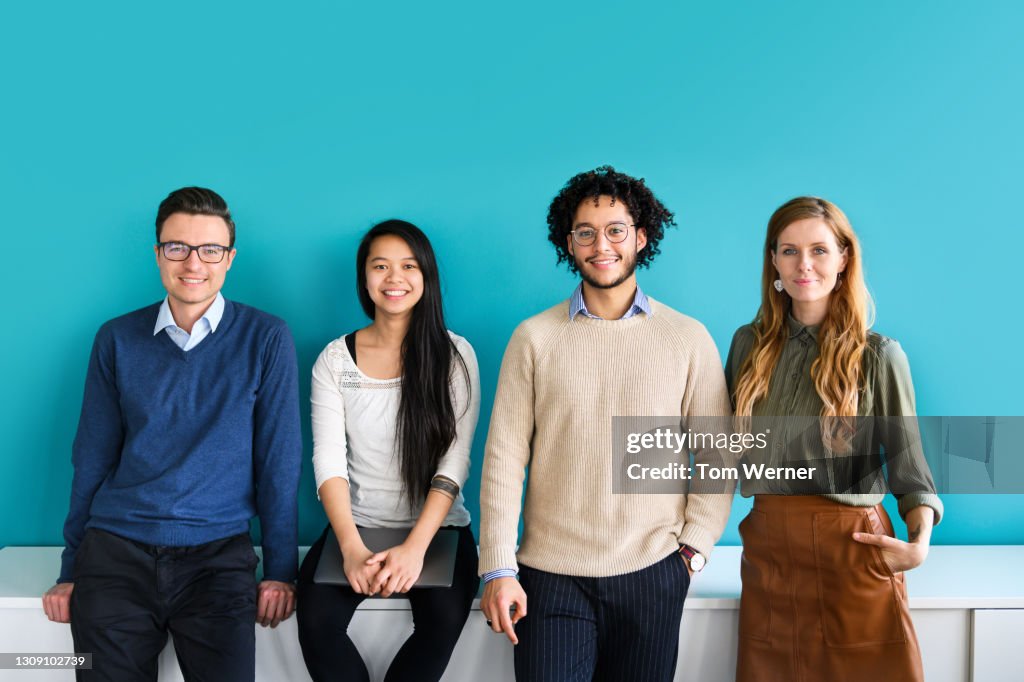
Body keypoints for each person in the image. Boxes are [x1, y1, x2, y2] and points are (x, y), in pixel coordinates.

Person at [478, 166, 734, 681]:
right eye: (585, 233)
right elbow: (504, 460)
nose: (602, 245)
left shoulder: (686, 338)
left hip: (654, 570)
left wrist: (695, 551)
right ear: (568, 244)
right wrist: (498, 568)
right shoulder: (534, 339)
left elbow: (716, 454)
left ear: (641, 237)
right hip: (550, 576)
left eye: (616, 229)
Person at [41, 187, 302, 681]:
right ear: (158, 254)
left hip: (217, 557)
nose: (193, 263)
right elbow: (91, 457)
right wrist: (71, 568)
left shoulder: (266, 338)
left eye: (210, 250)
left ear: (230, 259)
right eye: (177, 247)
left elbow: (279, 462)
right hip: (115, 552)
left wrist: (280, 571)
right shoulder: (116, 338)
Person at [726, 196, 943, 681]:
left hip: (854, 550)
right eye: (789, 250)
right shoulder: (747, 345)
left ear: (844, 258)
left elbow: (910, 464)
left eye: (820, 250)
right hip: (770, 554)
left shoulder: (879, 355)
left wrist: (919, 543)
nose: (804, 264)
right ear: (774, 260)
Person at [296, 220, 481, 682]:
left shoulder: (456, 355)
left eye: (408, 266)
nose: (394, 278)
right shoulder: (335, 359)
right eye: (380, 266)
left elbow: (455, 461)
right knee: (316, 623)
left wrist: (414, 549)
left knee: (441, 623)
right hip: (357, 526)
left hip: (440, 533)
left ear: (426, 276)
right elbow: (329, 460)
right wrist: (351, 547)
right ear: (364, 277)